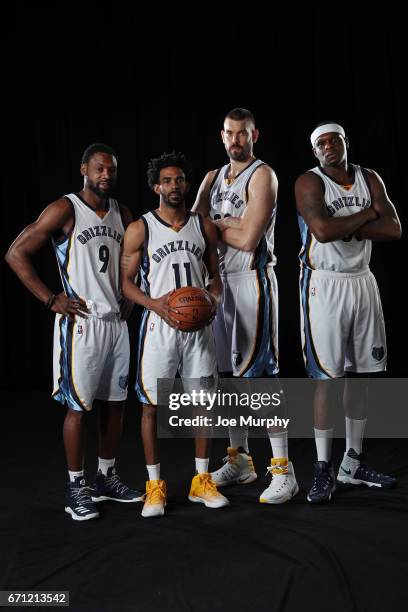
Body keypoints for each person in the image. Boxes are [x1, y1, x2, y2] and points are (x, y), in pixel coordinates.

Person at [5, 143, 143, 521]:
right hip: (82, 324)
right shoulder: (65, 209)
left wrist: (132, 293)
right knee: (78, 408)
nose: (106, 176)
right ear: (84, 169)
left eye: (112, 170)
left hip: (116, 323)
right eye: (99, 168)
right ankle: (75, 486)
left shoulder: (123, 213)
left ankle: (105, 478)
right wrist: (51, 299)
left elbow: (136, 258)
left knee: (115, 406)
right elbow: (15, 253)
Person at [193, 108, 298, 504]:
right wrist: (228, 224)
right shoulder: (210, 178)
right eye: (230, 134)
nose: (236, 140)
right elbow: (198, 228)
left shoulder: (263, 175)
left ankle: (284, 470)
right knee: (228, 378)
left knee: (260, 379)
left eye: (243, 134)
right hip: (218, 285)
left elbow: (250, 238)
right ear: (221, 136)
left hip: (253, 280)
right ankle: (240, 460)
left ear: (256, 135)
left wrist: (221, 225)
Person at [295, 121, 402, 503]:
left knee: (362, 377)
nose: (328, 147)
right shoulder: (308, 182)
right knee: (327, 379)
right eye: (320, 143)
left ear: (345, 142)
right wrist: (365, 217)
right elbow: (322, 230)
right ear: (315, 151)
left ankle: (352, 462)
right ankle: (323, 467)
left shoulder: (368, 177)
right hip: (325, 284)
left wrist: (350, 225)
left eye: (333, 140)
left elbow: (394, 229)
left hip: (362, 280)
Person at [121, 150, 229, 518]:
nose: (174, 186)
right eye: (166, 180)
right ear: (156, 186)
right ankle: (155, 487)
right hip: (159, 328)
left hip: (198, 329)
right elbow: (125, 283)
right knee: (152, 405)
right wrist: (156, 305)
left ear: (187, 184)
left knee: (203, 405)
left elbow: (215, 277)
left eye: (179, 180)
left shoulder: (204, 226)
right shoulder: (141, 228)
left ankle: (201, 481)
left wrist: (212, 300)